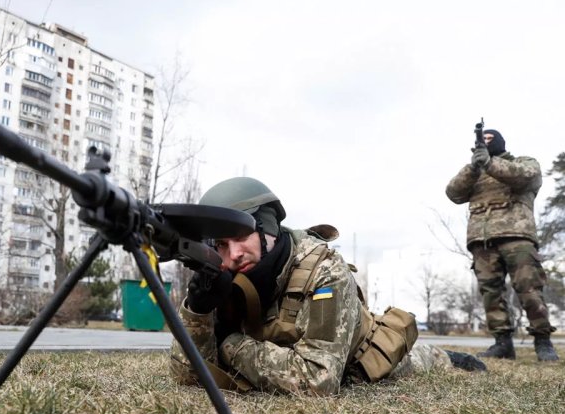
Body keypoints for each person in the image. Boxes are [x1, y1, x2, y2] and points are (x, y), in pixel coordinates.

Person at [169, 177, 486, 395]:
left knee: (417, 358)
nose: (233, 255)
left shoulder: (323, 270)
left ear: (267, 227)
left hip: (358, 355)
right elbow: (187, 375)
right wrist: (197, 312)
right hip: (282, 349)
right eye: (222, 245)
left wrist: (229, 344)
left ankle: (450, 356)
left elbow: (318, 381)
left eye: (241, 237)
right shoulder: (219, 271)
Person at [446, 129, 559, 362]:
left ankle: (542, 341)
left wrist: (490, 164)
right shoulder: (475, 173)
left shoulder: (523, 162)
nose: (486, 142)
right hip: (482, 241)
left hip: (517, 236)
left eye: (490, 139)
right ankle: (502, 343)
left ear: (499, 143)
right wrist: (474, 167)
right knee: (491, 294)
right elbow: (453, 192)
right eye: (482, 140)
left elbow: (526, 176)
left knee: (529, 290)